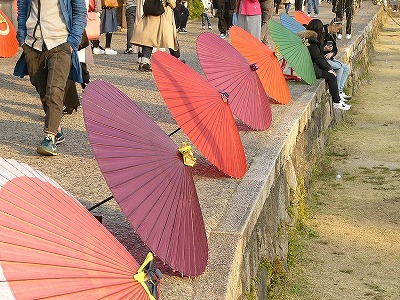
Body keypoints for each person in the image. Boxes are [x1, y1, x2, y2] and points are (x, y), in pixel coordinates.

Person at [13, 0, 87, 155]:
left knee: (54, 90)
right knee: (42, 89)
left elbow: (80, 13)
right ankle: (57, 127)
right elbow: (23, 6)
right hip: (33, 44)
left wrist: (72, 42)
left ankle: (49, 137)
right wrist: (22, 36)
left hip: (60, 43)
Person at [298, 19, 351, 111]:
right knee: (332, 76)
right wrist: (329, 69)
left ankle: (338, 98)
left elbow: (318, 54)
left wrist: (325, 49)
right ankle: (337, 102)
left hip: (312, 65)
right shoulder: (312, 41)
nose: (322, 31)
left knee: (334, 73)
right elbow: (318, 58)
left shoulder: (309, 39)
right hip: (312, 68)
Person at [132, 0, 181, 71]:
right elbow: (172, 2)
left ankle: (144, 62)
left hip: (152, 11)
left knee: (149, 39)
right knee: (170, 38)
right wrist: (173, 4)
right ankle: (177, 61)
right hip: (163, 13)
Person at [323, 19, 352, 99]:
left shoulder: (333, 35)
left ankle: (340, 91)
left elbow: (335, 49)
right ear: (333, 25)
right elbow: (317, 48)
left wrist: (331, 53)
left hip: (330, 57)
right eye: (338, 29)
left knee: (346, 69)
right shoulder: (323, 32)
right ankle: (337, 92)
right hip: (323, 58)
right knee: (340, 68)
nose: (338, 31)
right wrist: (324, 49)